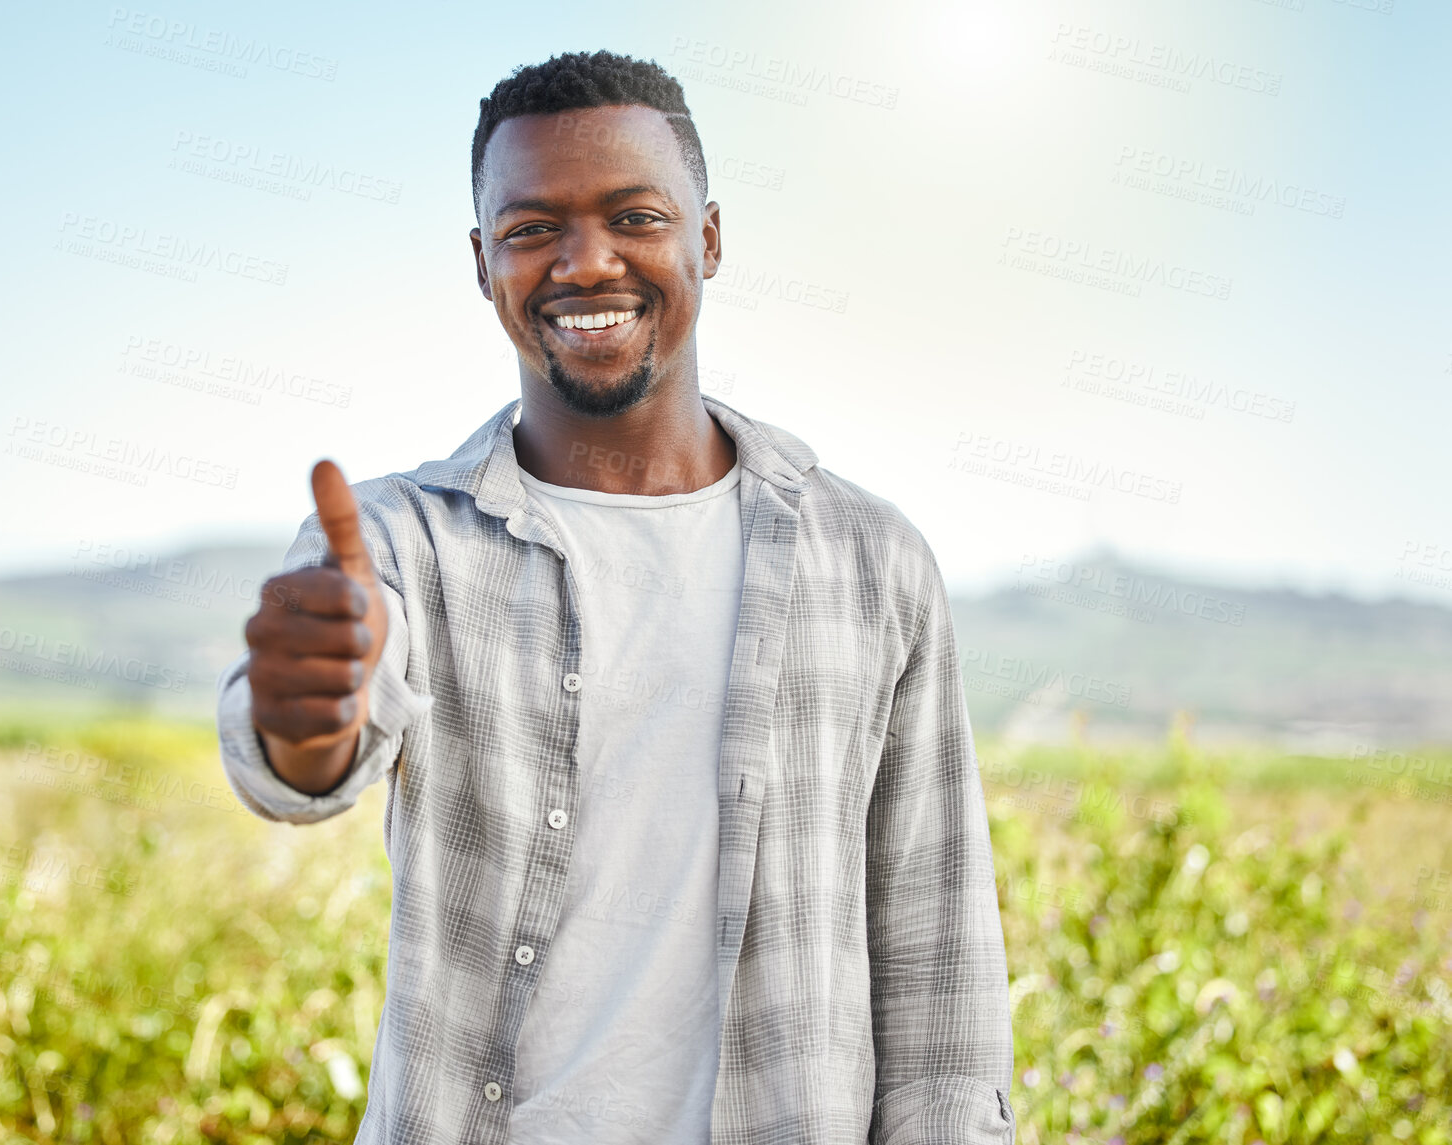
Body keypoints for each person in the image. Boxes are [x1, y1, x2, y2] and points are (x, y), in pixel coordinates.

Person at [218, 49, 1015, 1145]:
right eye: (532, 227)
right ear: (482, 259)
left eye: (635, 216)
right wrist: (304, 717)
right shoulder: (396, 543)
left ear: (710, 238)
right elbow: (310, 759)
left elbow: (941, 990)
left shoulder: (873, 562)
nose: (585, 263)